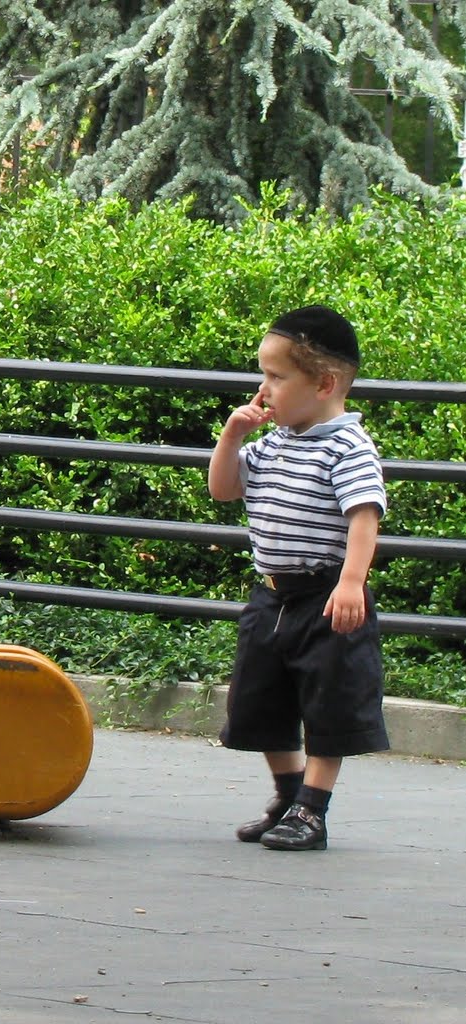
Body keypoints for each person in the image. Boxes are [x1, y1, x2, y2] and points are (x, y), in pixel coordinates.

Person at [208, 305, 388, 851]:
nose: (265, 389)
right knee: (260, 698)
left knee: (328, 703)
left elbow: (364, 515)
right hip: (273, 593)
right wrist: (231, 438)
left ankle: (313, 809)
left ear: (325, 383)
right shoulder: (276, 442)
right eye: (264, 374)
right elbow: (224, 489)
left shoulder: (346, 446)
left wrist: (352, 582)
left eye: (278, 377)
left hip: (326, 595)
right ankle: (287, 795)